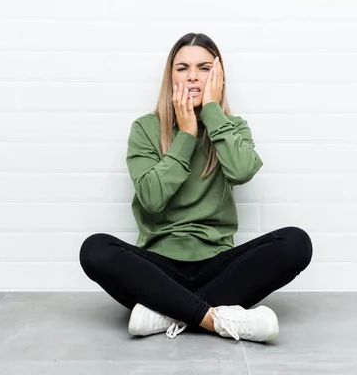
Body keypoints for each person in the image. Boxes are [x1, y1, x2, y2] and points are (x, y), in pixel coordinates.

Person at [79, 33, 313, 342]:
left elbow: (243, 171)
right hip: (159, 268)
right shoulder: (145, 129)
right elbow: (151, 198)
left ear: (218, 77)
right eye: (182, 68)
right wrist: (186, 134)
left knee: (296, 242)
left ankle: (164, 313)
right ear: (170, 76)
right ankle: (215, 318)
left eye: (204, 67)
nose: (192, 76)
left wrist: (211, 113)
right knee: (95, 249)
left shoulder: (231, 126)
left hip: (218, 264)